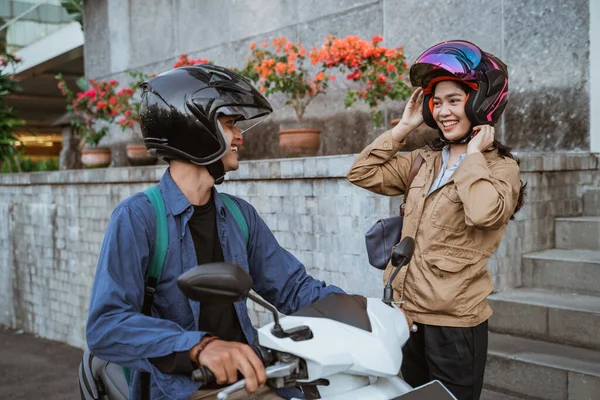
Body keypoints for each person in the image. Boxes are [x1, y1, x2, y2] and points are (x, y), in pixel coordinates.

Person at [86, 64, 344, 400]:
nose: (239, 136)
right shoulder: (138, 218)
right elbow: (106, 326)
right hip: (184, 389)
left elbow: (293, 288)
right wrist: (199, 346)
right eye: (228, 123)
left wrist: (358, 310)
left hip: (252, 378)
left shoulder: (239, 215)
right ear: (194, 128)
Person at [346, 40, 526, 400]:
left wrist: (472, 157)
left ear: (479, 103)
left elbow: (482, 213)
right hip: (407, 318)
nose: (443, 111)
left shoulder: (500, 169)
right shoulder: (423, 161)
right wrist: (403, 129)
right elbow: (361, 172)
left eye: (454, 100)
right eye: (437, 101)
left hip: (455, 325)